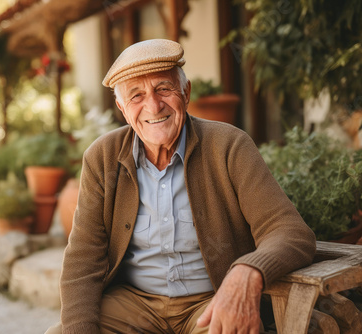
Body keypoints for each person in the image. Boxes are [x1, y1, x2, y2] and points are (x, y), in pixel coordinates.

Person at [46, 39, 316, 334]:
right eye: (136, 95)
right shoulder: (102, 157)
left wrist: (247, 272)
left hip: (210, 301)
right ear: (122, 108)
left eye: (163, 88)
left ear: (185, 93)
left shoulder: (228, 146)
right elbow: (83, 260)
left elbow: (290, 232)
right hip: (135, 304)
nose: (153, 105)